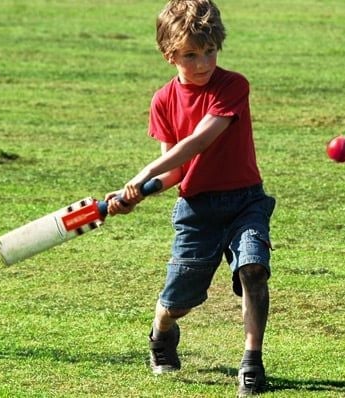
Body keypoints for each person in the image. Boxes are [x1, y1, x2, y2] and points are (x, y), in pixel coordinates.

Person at [106, 0, 275, 395]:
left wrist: (142, 173)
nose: (203, 63)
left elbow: (199, 141)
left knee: (253, 269)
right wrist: (139, 194)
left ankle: (251, 363)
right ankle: (162, 331)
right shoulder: (163, 101)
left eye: (210, 51)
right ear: (169, 55)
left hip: (245, 201)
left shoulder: (233, 86)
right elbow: (176, 171)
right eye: (190, 55)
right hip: (196, 211)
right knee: (179, 301)